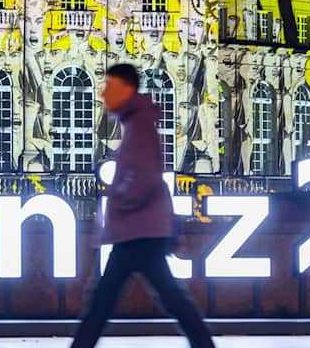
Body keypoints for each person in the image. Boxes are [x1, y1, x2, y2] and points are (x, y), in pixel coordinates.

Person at [72, 64, 214, 348]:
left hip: (138, 232)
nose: (102, 93)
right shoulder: (137, 122)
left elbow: (146, 176)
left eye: (109, 86)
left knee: (103, 303)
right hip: (141, 231)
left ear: (126, 89)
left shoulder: (139, 125)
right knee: (167, 297)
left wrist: (118, 200)